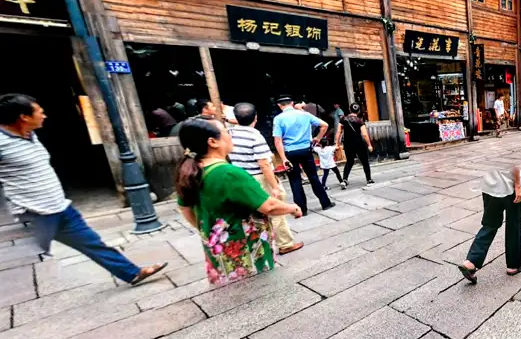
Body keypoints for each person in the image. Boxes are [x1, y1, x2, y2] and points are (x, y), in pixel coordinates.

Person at [0, 94, 168, 286]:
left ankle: (132, 273)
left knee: (93, 243)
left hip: (61, 208)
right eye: (40, 112)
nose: (44, 115)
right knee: (21, 262)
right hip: (35, 215)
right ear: (24, 117)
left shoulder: (31, 135)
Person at [176, 118, 302, 285]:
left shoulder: (190, 172)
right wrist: (293, 208)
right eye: (226, 132)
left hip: (216, 247)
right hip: (245, 248)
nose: (230, 135)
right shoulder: (229, 173)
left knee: (230, 289)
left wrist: (209, 230)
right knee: (258, 289)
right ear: (213, 142)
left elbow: (185, 209)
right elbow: (268, 206)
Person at [228, 103, 304, 255]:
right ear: (255, 117)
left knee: (252, 213)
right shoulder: (254, 135)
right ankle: (285, 243)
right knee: (276, 208)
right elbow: (264, 164)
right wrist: (275, 186)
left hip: (240, 177)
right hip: (258, 177)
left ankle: (255, 245)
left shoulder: (229, 134)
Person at [457, 161, 521, 284]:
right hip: (509, 186)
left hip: (489, 187)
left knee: (489, 225)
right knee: (513, 226)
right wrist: (518, 185)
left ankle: (471, 262)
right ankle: (514, 265)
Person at [272, 95, 334, 214]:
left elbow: (277, 141)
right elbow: (325, 125)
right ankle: (325, 203)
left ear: (279, 105)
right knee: (313, 177)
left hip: (290, 152)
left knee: (295, 180)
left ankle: (302, 210)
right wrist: (318, 138)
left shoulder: (278, 119)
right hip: (306, 150)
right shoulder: (305, 115)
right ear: (292, 103)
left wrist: (283, 159)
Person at [337, 102, 375, 186]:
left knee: (349, 162)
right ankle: (369, 180)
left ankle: (344, 179)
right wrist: (369, 145)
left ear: (349, 109)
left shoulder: (343, 119)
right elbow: (364, 134)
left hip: (348, 144)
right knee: (365, 162)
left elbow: (339, 132)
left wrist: (337, 144)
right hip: (359, 144)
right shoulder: (360, 121)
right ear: (358, 111)